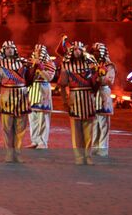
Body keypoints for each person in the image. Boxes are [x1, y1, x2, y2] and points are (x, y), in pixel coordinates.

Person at [55, 38, 104, 166]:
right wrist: (64, 101)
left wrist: (99, 76)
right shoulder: (67, 65)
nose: (77, 52)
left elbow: (97, 82)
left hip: (88, 98)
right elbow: (62, 84)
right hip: (74, 99)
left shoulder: (91, 63)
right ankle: (79, 156)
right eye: (75, 49)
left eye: (79, 49)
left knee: (89, 131)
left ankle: (88, 156)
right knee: (76, 131)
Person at [0, 41, 33, 163]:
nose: (10, 50)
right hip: (6, 97)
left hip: (22, 97)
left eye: (12, 48)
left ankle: (18, 153)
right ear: (4, 50)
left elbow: (30, 80)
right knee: (8, 128)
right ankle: (9, 154)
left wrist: (34, 67)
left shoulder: (23, 64)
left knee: (21, 128)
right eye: (7, 48)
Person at [28, 43, 56, 150]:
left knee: (43, 119)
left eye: (39, 52)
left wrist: (40, 68)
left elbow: (49, 77)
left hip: (43, 91)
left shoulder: (50, 63)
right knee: (33, 119)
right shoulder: (31, 62)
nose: (36, 53)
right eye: (35, 51)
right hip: (32, 91)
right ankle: (34, 141)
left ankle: (43, 142)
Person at [90, 42, 116, 159]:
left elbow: (110, 81)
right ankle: (95, 146)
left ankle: (103, 148)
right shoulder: (90, 63)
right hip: (94, 94)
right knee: (95, 123)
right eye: (94, 50)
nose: (94, 53)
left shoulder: (109, 65)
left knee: (103, 123)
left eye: (97, 51)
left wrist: (100, 76)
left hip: (103, 93)